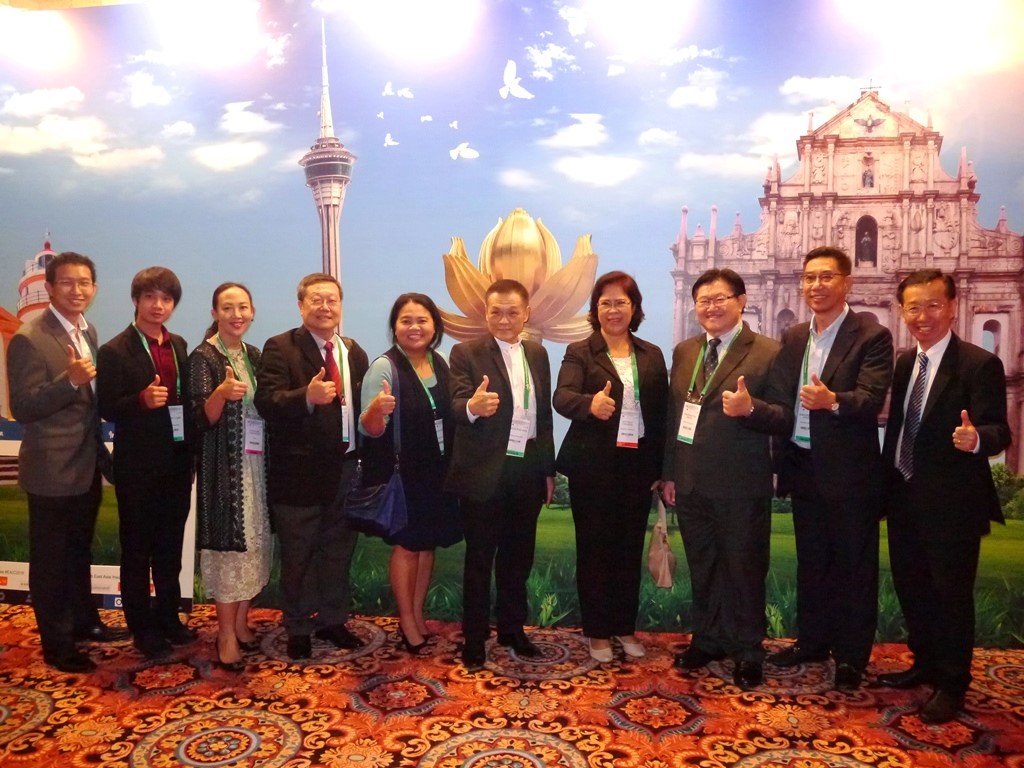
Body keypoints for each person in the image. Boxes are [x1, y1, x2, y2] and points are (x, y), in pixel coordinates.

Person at [878, 269, 1011, 724]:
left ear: (952, 307)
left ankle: (953, 683)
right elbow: (901, 427)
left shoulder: (978, 364)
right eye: (913, 307)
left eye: (933, 305)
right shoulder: (904, 363)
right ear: (902, 311)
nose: (923, 316)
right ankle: (925, 663)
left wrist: (977, 439)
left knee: (951, 595)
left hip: (953, 504)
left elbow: (1000, 430)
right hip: (904, 496)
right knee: (912, 587)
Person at [761, 246, 893, 692]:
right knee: (813, 561)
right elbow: (780, 398)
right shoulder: (795, 336)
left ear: (846, 282)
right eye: (809, 277)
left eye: (826, 277)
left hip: (850, 474)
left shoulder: (871, 335)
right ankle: (813, 642)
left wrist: (832, 400)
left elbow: (871, 398)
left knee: (854, 566)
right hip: (802, 464)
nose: (816, 285)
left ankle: (852, 656)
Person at [662, 268, 787, 690]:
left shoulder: (768, 351)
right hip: (691, 482)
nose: (711, 307)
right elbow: (674, 416)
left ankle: (749, 650)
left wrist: (751, 409)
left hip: (741, 485)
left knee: (744, 569)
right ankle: (707, 639)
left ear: (742, 301)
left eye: (720, 299)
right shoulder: (685, 351)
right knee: (704, 566)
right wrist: (669, 473)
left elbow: (785, 417)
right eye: (703, 300)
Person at [8, 251, 128, 673]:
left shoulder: (87, 330)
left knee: (78, 551)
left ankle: (84, 622)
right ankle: (57, 646)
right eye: (67, 282)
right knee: (51, 561)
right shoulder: (29, 337)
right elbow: (23, 407)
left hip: (85, 464)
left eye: (84, 283)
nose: (77, 290)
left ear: (94, 288)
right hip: (51, 470)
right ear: (49, 287)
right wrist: (69, 381)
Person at [553, 271, 667, 663]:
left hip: (637, 467)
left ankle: (624, 627)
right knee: (595, 550)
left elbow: (661, 414)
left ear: (634, 308)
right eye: (605, 303)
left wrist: (660, 467)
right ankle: (598, 632)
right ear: (595, 309)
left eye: (621, 302)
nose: (613, 310)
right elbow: (562, 396)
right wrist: (590, 404)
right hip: (593, 468)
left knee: (628, 550)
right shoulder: (580, 351)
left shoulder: (651, 354)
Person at [254, 273, 368, 661]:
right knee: (298, 554)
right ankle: (298, 626)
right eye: (316, 299)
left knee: (338, 551)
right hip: (298, 474)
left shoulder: (352, 351)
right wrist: (307, 396)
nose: (325, 307)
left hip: (346, 468)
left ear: (341, 306)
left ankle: (333, 620)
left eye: (332, 300)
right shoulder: (280, 347)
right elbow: (267, 402)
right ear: (301, 305)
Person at [446, 279, 555, 671]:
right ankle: (475, 638)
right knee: (479, 560)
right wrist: (472, 407)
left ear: (526, 314)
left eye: (512, 312)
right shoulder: (465, 352)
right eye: (496, 312)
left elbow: (543, 417)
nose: (504, 319)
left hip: (526, 471)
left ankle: (512, 630)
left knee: (518, 558)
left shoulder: (538, 354)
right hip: (484, 472)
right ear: (486, 313)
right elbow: (455, 404)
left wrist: (547, 470)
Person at [97, 266, 196, 660]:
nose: (158, 305)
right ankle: (142, 628)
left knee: (170, 547)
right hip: (138, 467)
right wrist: (140, 400)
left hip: (176, 463)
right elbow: (106, 407)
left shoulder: (179, 345)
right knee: (137, 550)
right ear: (136, 300)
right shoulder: (115, 350)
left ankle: (168, 617)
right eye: (150, 297)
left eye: (166, 299)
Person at [359, 293, 461, 653]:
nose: (414, 327)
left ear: (435, 326)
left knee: (426, 545)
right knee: (407, 545)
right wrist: (376, 409)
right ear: (394, 327)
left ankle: (417, 614)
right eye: (406, 320)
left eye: (422, 320)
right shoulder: (384, 367)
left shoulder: (441, 362)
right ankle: (406, 621)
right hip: (406, 473)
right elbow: (370, 430)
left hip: (439, 470)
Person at [186, 283, 271, 671]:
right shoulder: (203, 357)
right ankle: (224, 636)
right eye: (227, 308)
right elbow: (201, 419)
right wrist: (220, 393)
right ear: (215, 313)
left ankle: (240, 623)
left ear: (252, 312)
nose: (236, 315)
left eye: (243, 307)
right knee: (228, 551)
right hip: (223, 470)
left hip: (255, 466)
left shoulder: (254, 355)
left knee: (254, 546)